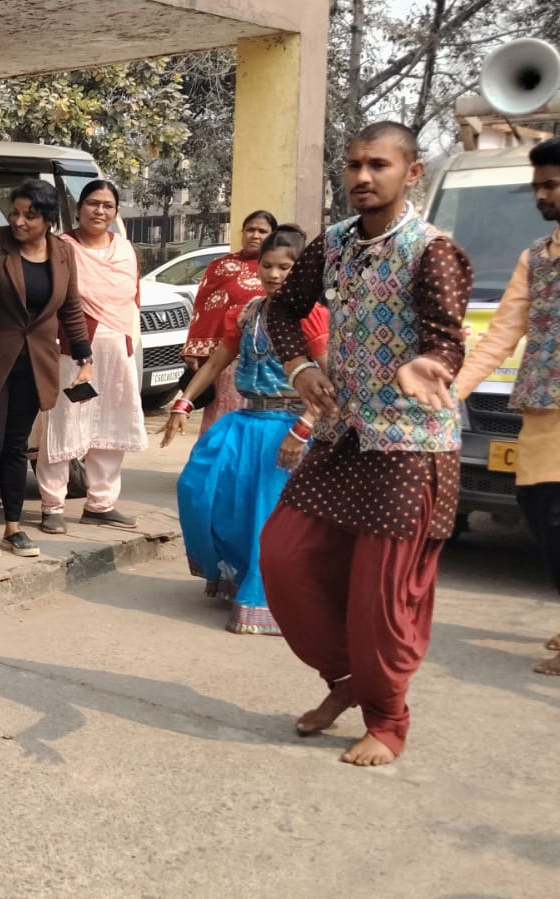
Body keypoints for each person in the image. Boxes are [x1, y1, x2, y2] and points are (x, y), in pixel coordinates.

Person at [259, 121, 471, 767]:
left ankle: (387, 718)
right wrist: (300, 366)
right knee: (283, 557)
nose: (361, 176)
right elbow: (280, 309)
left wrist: (429, 363)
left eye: (378, 164)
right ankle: (347, 678)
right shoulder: (332, 244)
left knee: (380, 596)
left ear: (412, 173)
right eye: (353, 164)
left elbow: (446, 339)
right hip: (342, 434)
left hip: (409, 445)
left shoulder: (433, 250)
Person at [162, 225, 328, 634]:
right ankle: (233, 571)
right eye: (267, 266)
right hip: (244, 421)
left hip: (289, 425)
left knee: (265, 516)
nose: (274, 274)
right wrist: (183, 402)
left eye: (285, 267)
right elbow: (217, 362)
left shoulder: (311, 315)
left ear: (300, 271)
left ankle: (268, 597)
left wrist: (304, 428)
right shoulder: (248, 312)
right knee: (200, 489)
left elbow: (332, 381)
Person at [454, 136, 560, 676]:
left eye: (552, 185)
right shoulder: (535, 258)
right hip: (541, 412)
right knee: (539, 512)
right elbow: (499, 336)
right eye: (538, 186)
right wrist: (451, 393)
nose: (541, 195)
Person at [0, 179, 92, 559]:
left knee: (17, 445)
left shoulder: (63, 252)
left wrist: (85, 358)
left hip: (35, 362)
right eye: (15, 212)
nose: (18, 221)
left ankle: (13, 527)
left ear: (47, 219)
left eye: (29, 215)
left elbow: (71, 308)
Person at [36, 181, 146, 534]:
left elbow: (133, 298)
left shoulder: (124, 248)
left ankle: (101, 504)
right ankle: (52, 505)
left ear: (116, 212)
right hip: (74, 350)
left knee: (112, 422)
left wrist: (129, 341)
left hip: (118, 348)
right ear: (79, 207)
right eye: (93, 203)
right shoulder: (62, 247)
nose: (100, 211)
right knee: (63, 423)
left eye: (108, 206)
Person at [181, 210, 278, 432]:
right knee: (223, 419)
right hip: (226, 359)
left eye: (262, 231)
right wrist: (195, 349)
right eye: (250, 230)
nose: (255, 235)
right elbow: (204, 309)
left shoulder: (278, 270)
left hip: (269, 363)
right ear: (242, 233)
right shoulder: (220, 266)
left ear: (273, 235)